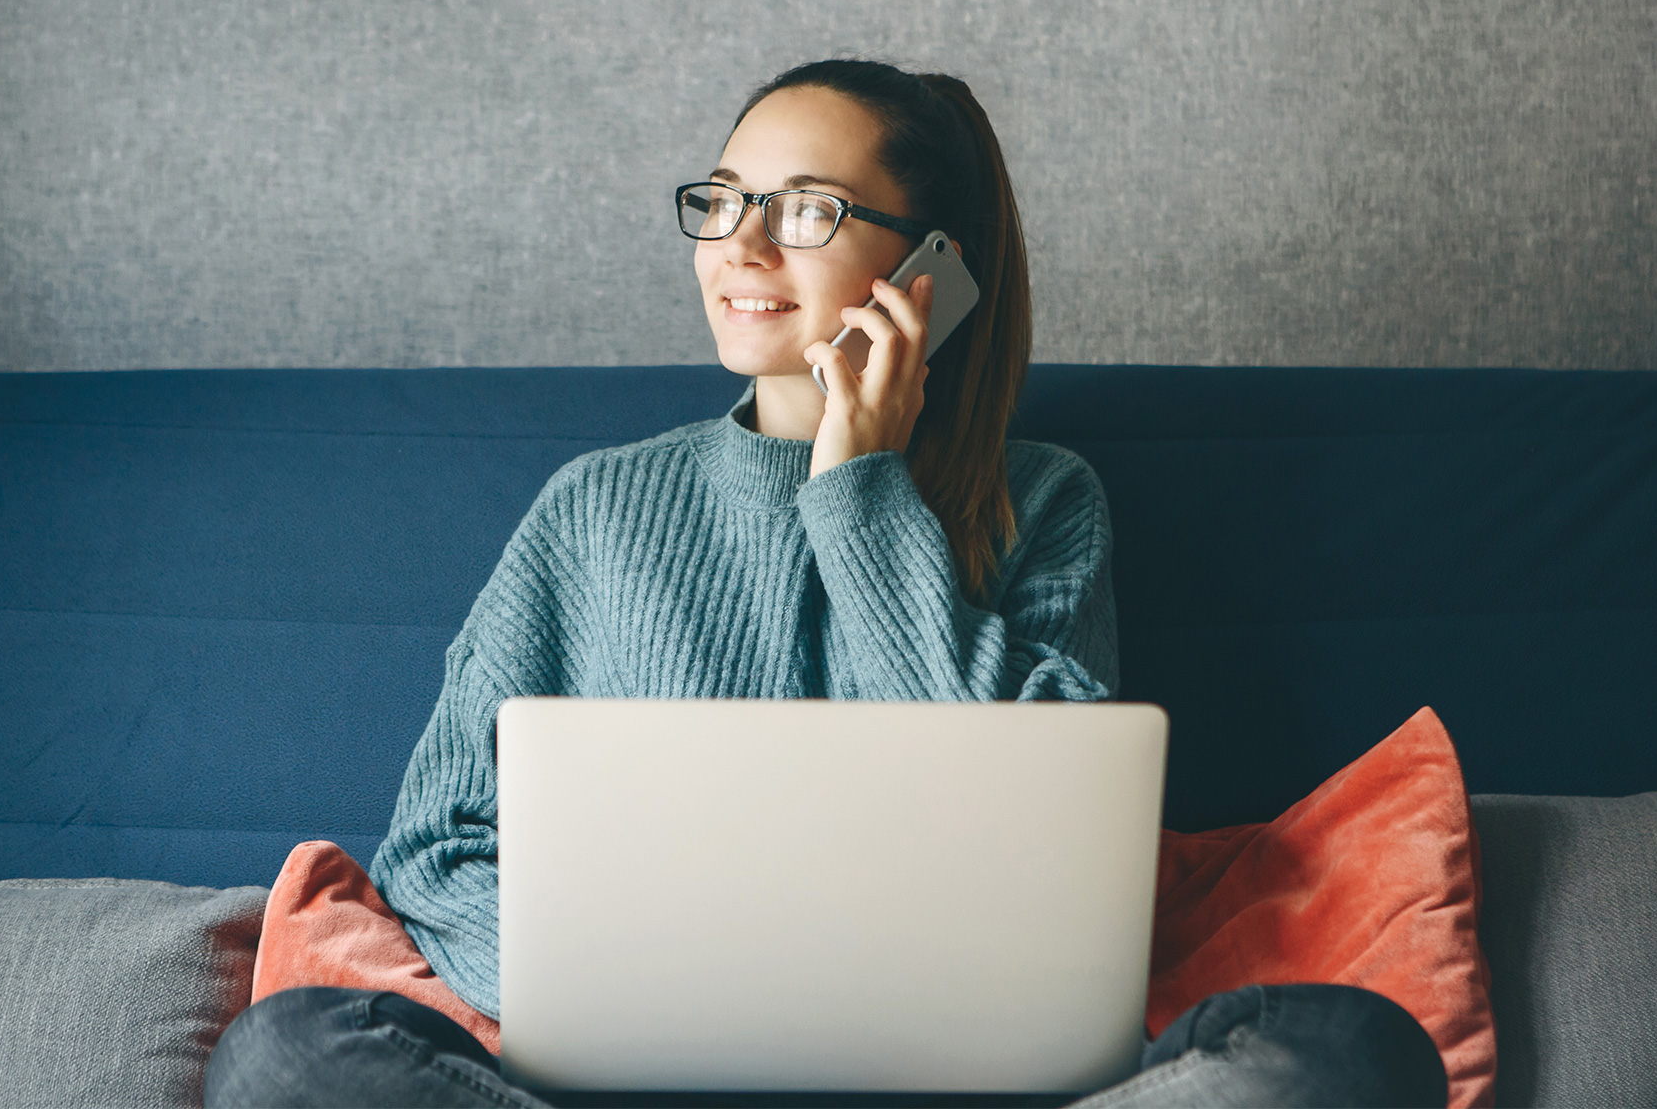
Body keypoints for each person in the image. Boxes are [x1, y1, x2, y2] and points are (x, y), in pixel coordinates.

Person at [205, 59, 1448, 1108]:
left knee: (1347, 1055)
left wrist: (862, 493)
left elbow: (1058, 838)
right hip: (631, 1086)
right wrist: (660, 1002)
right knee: (284, 1060)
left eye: (805, 211)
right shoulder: (596, 509)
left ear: (932, 275)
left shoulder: (1045, 501)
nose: (740, 244)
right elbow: (434, 846)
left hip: (963, 1080)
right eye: (724, 201)